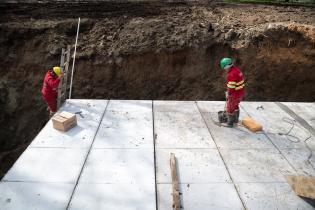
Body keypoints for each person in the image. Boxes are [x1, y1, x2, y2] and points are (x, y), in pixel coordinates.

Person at [220, 57, 245, 127]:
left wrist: (228, 93)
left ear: (226, 66)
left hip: (234, 94)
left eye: (224, 68)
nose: (224, 70)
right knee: (235, 105)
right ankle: (235, 119)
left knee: (229, 108)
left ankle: (230, 123)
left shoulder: (231, 75)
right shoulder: (237, 70)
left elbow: (231, 88)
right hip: (240, 93)